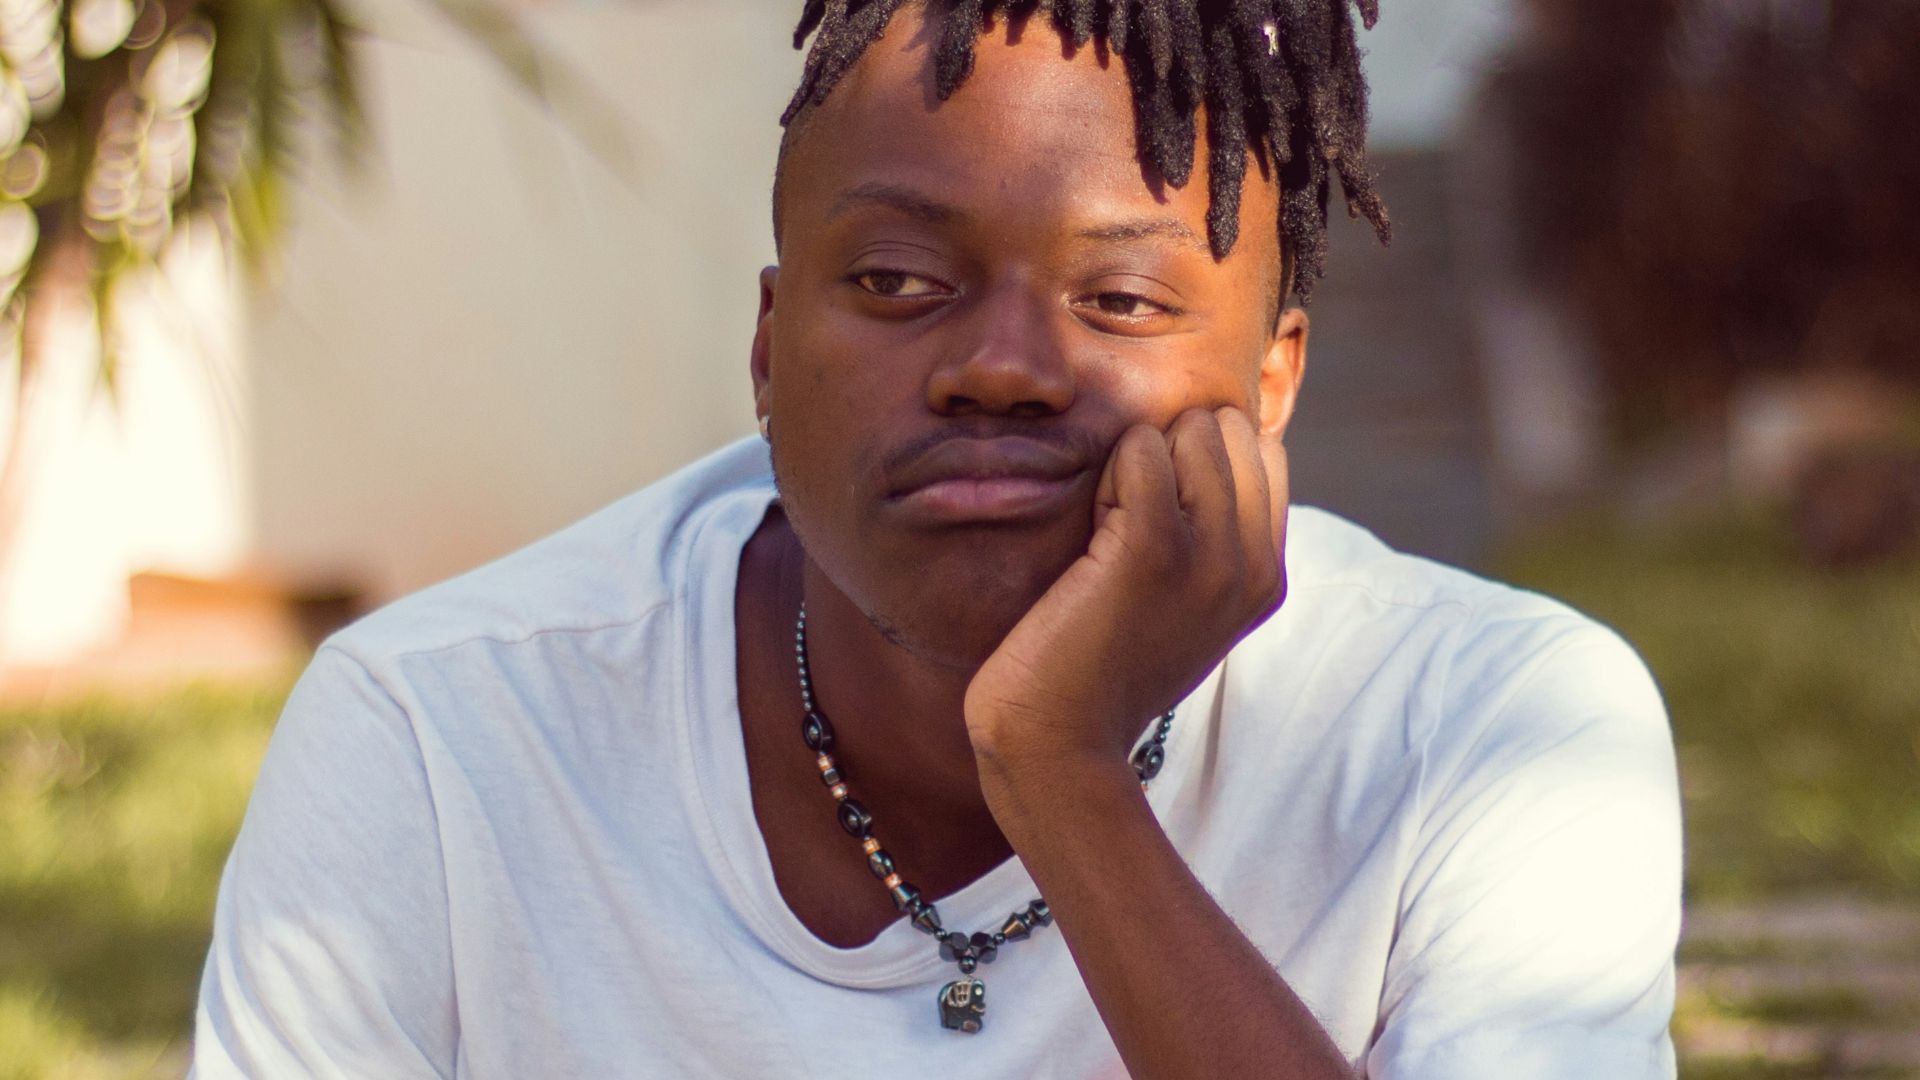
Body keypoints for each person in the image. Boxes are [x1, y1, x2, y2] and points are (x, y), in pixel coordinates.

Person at [191, 1, 1684, 1076]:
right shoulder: (439, 739)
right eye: (900, 280)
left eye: (1124, 299)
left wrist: (1064, 778)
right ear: (770, 349)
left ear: (1275, 375)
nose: (1003, 368)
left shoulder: (1500, 729)